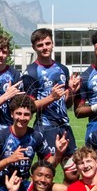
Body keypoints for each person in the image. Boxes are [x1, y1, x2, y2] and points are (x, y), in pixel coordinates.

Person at [22, 27, 81, 182]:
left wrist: (72, 92)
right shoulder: (31, 72)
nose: (45, 48)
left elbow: (66, 104)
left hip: (64, 126)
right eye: (40, 45)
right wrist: (51, 97)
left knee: (72, 172)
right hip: (45, 127)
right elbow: (29, 107)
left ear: (52, 43)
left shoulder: (62, 69)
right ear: (34, 48)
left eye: (47, 43)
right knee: (46, 173)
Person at [0, 95, 61, 191]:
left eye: (26, 114)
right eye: (18, 113)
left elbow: (49, 164)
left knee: (62, 189)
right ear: (12, 114)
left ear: (31, 116)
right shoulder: (0, 136)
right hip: (1, 185)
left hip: (24, 185)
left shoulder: (35, 136)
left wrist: (58, 153)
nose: (22, 118)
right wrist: (9, 159)